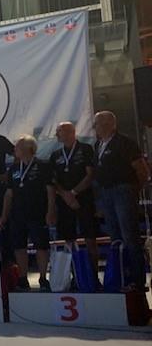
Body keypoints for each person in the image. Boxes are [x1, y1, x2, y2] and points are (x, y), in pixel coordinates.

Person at [93, 111, 150, 291]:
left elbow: (141, 169)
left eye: (98, 123)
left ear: (110, 124)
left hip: (123, 190)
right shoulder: (98, 144)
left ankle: (138, 279)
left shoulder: (125, 142)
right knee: (115, 237)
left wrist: (133, 189)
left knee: (129, 235)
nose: (95, 127)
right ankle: (121, 275)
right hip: (106, 192)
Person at [0, 136, 56, 292]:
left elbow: (50, 190)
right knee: (19, 246)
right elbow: (9, 194)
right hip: (17, 214)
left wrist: (50, 211)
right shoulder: (14, 169)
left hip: (38, 212)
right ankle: (23, 278)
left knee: (41, 245)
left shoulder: (43, 166)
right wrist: (4, 215)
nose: (14, 150)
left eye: (17, 147)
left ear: (27, 148)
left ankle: (43, 278)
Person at [50, 122, 101, 285]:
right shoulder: (56, 154)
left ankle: (93, 276)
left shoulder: (85, 149)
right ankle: (75, 275)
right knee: (68, 240)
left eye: (60, 131)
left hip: (83, 199)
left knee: (90, 238)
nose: (57, 134)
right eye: (57, 131)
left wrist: (73, 193)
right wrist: (65, 195)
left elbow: (90, 174)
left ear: (71, 132)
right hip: (64, 201)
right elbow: (54, 180)